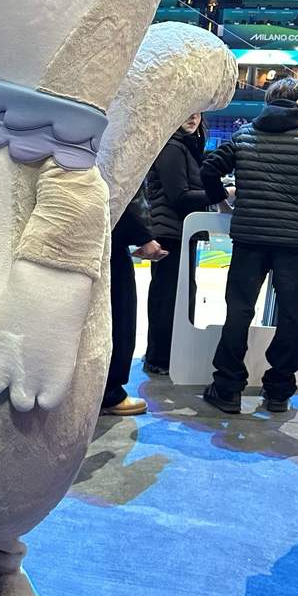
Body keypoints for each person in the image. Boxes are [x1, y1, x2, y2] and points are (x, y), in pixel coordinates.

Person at [200, 77, 298, 415]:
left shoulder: (243, 136)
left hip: (250, 238)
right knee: (292, 316)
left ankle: (227, 388)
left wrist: (222, 201)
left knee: (239, 311)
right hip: (295, 244)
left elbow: (209, 169)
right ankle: (278, 392)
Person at [143, 112, 210, 375]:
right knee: (168, 298)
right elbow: (180, 196)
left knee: (179, 296)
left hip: (182, 232)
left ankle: (168, 355)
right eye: (187, 110)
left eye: (198, 112)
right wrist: (221, 193)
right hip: (170, 234)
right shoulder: (172, 147)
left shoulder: (187, 147)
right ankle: (159, 358)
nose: (193, 117)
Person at [101, 193, 168, 415]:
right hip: (107, 237)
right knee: (118, 315)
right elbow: (123, 190)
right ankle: (109, 392)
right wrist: (145, 237)